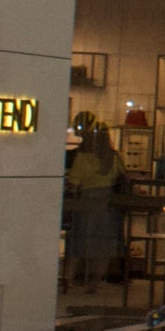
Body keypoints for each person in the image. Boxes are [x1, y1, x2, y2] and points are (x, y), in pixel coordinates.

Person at [63, 123, 126, 291]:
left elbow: (73, 182)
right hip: (107, 206)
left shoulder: (83, 158)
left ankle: (68, 280)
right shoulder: (112, 157)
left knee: (78, 242)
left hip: (86, 205)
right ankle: (94, 282)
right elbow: (122, 175)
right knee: (102, 246)